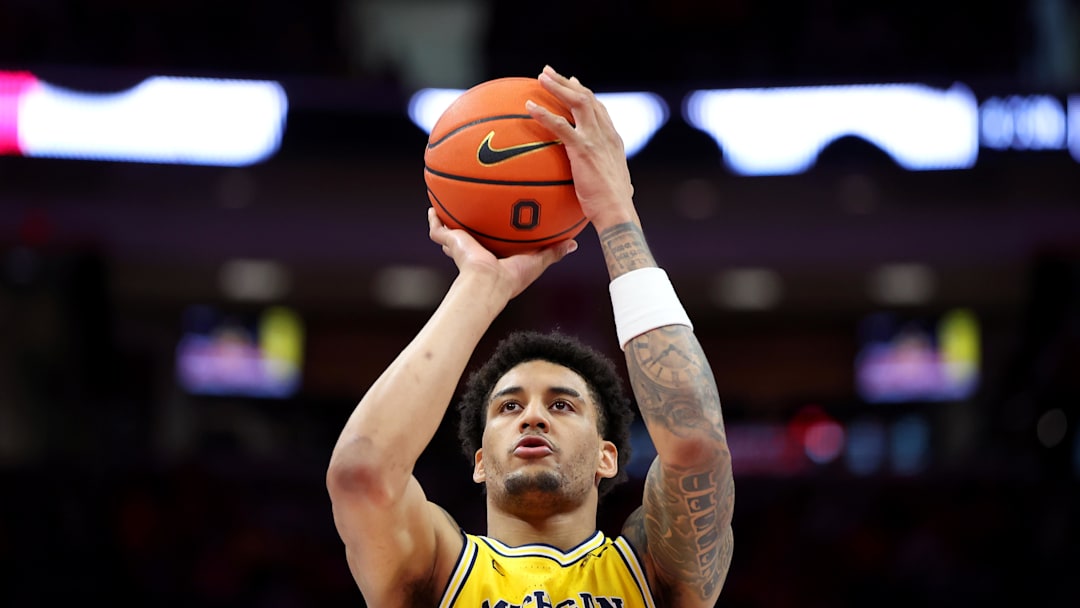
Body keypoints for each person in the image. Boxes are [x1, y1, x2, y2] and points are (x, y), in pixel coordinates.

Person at [327, 65, 734, 608]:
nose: (532, 417)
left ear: (607, 458)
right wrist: (481, 287)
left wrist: (616, 214)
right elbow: (361, 475)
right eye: (508, 407)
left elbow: (698, 446)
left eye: (562, 405)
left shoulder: (652, 571)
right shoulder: (435, 571)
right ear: (479, 461)